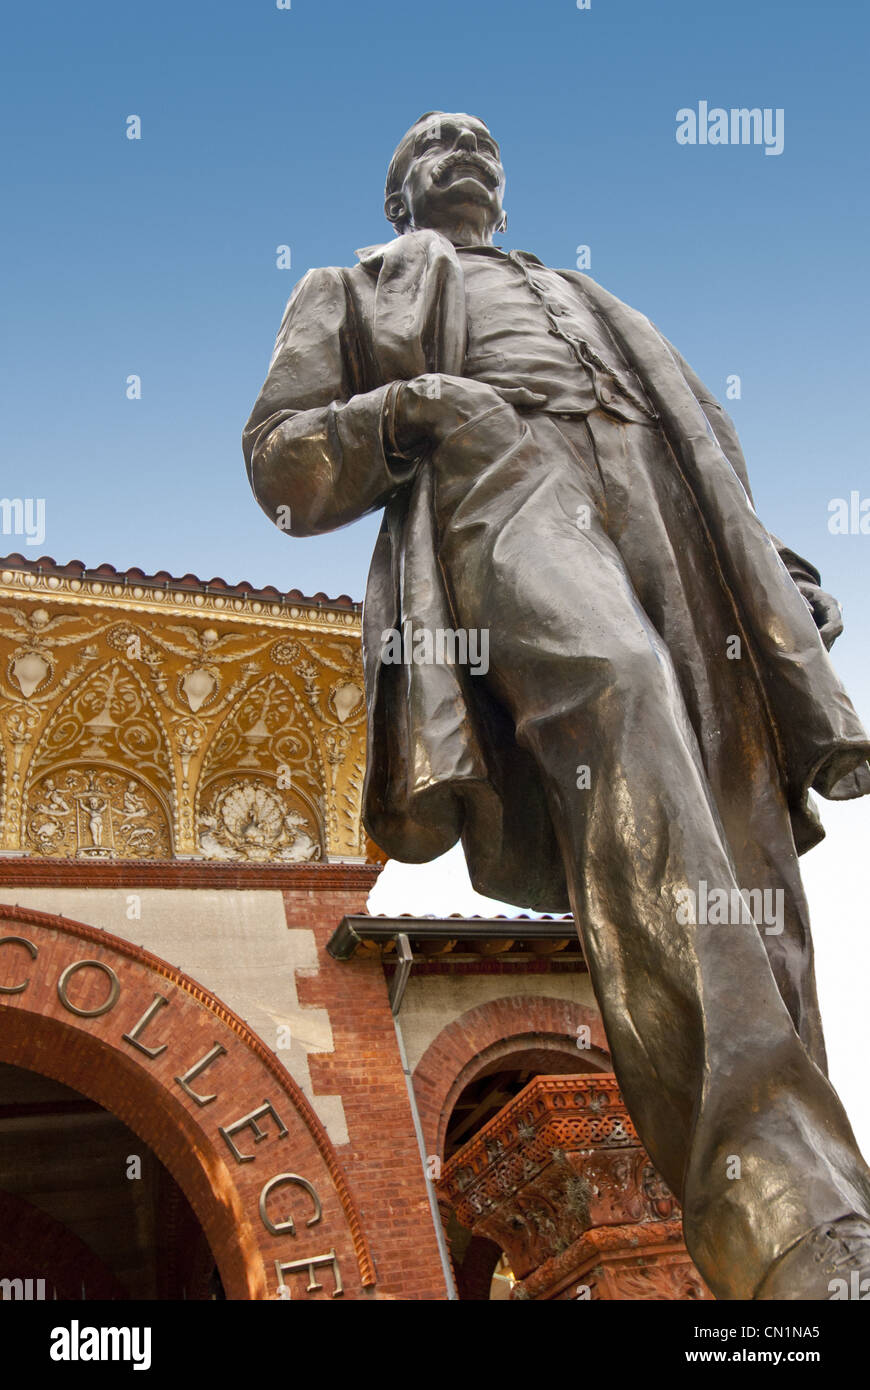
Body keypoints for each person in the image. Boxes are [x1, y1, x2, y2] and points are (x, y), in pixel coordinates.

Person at [243, 111, 870, 1299]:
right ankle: (770, 1198)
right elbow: (281, 461)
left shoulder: (592, 298)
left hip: (661, 495)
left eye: (481, 140)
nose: (465, 150)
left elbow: (708, 444)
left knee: (741, 819)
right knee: (622, 710)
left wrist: (771, 565)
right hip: (498, 479)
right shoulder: (352, 290)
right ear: (400, 195)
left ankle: (825, 1206)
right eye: (434, 142)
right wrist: (420, 406)